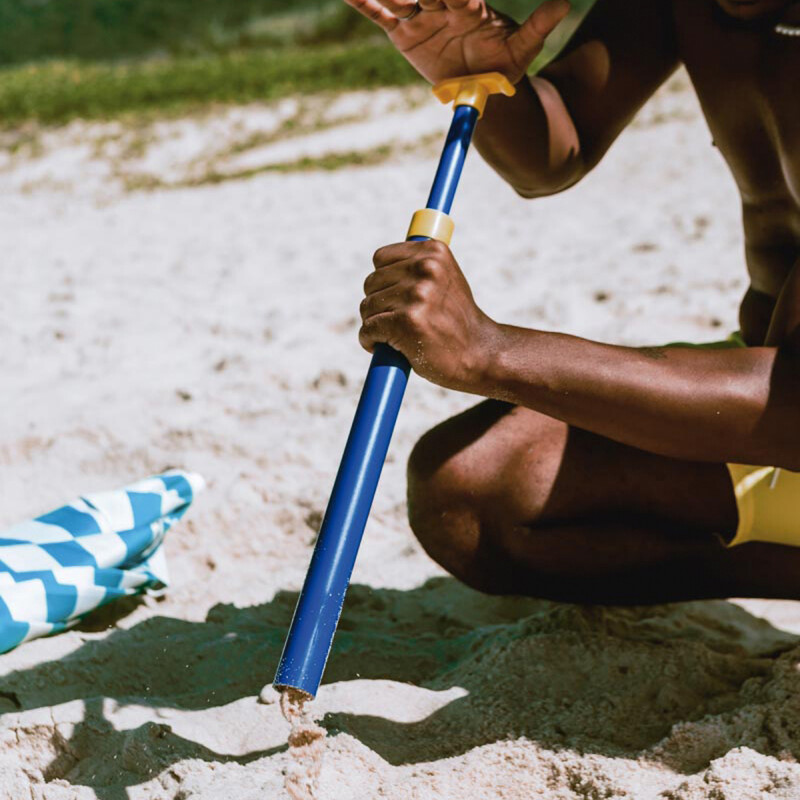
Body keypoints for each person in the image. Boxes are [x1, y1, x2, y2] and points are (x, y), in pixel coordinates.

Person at [344, 0, 800, 603]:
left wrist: (492, 351)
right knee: (474, 491)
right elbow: (561, 145)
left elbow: (792, 405)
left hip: (787, 408)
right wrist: (484, 80)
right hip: (773, 400)